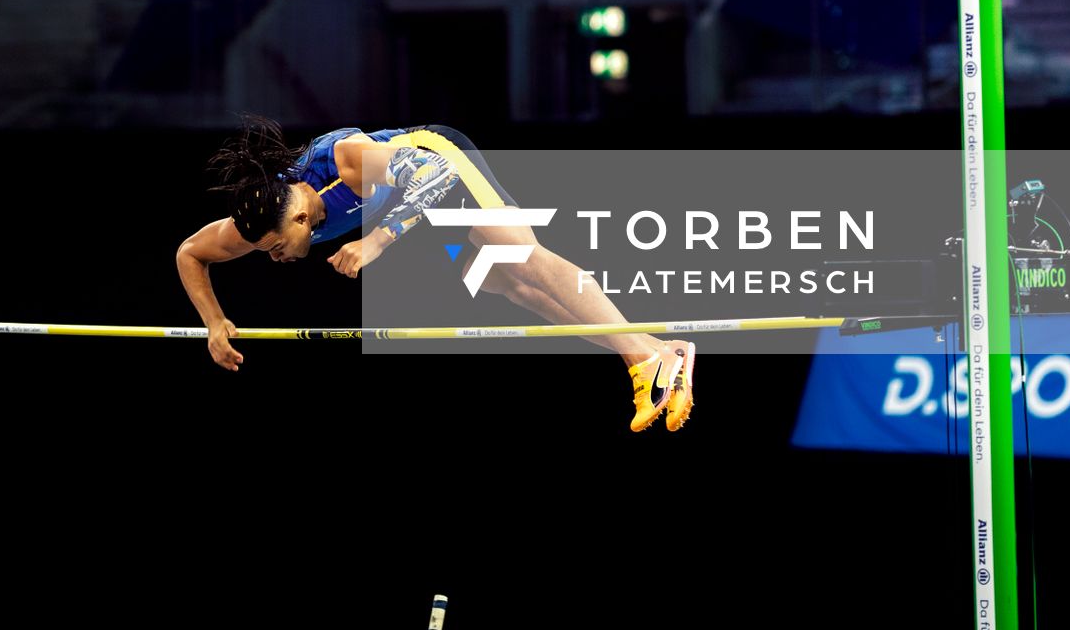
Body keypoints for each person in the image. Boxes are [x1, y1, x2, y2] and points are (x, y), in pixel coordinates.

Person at [175, 117, 694, 432]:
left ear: (301, 219)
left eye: (277, 248)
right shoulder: (260, 217)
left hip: (439, 158)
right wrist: (215, 322)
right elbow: (190, 253)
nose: (275, 258)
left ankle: (641, 358)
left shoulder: (347, 161)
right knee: (504, 283)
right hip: (413, 203)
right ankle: (659, 349)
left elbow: (435, 174)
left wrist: (376, 241)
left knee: (519, 254)